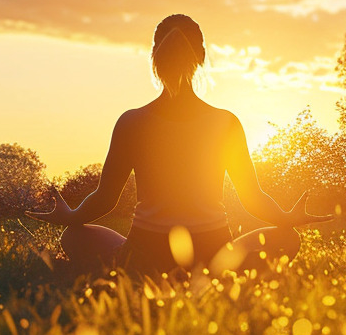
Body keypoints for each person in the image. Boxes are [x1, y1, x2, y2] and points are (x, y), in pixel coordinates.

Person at [26, 14, 328, 277]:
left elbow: (105, 199)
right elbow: (252, 198)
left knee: (73, 238)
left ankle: (135, 271)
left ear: (154, 55)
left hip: (144, 254)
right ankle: (215, 273)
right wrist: (287, 219)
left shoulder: (132, 122)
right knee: (288, 239)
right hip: (212, 254)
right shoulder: (226, 122)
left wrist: (71, 217)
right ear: (201, 57)